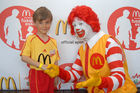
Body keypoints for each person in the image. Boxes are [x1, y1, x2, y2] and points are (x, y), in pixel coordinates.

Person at [44, 5, 137, 93]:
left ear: (91, 23)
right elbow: (75, 74)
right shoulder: (83, 48)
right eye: (74, 25)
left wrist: (101, 82)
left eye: (80, 23)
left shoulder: (110, 43)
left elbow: (120, 78)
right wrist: (60, 72)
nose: (77, 28)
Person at [20, 7, 60, 93]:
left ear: (50, 23)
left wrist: (56, 75)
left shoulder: (53, 41)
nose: (44, 26)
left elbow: (55, 60)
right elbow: (24, 57)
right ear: (34, 23)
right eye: (41, 23)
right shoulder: (31, 39)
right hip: (37, 74)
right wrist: (42, 66)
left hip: (50, 73)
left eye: (47, 22)